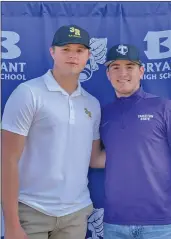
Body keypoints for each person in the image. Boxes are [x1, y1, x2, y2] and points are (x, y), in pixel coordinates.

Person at [2, 24, 102, 239]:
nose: (72, 56)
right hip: (31, 210)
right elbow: (7, 159)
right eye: (65, 49)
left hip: (75, 214)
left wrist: (142, 153)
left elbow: (94, 159)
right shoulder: (29, 93)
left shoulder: (92, 104)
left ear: (88, 56)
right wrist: (11, 225)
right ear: (52, 51)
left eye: (79, 50)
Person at [91, 44, 171, 239]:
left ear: (141, 71)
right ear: (107, 74)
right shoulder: (104, 113)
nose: (122, 73)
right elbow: (98, 159)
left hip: (160, 225)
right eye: (115, 67)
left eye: (129, 66)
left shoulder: (163, 107)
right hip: (115, 225)